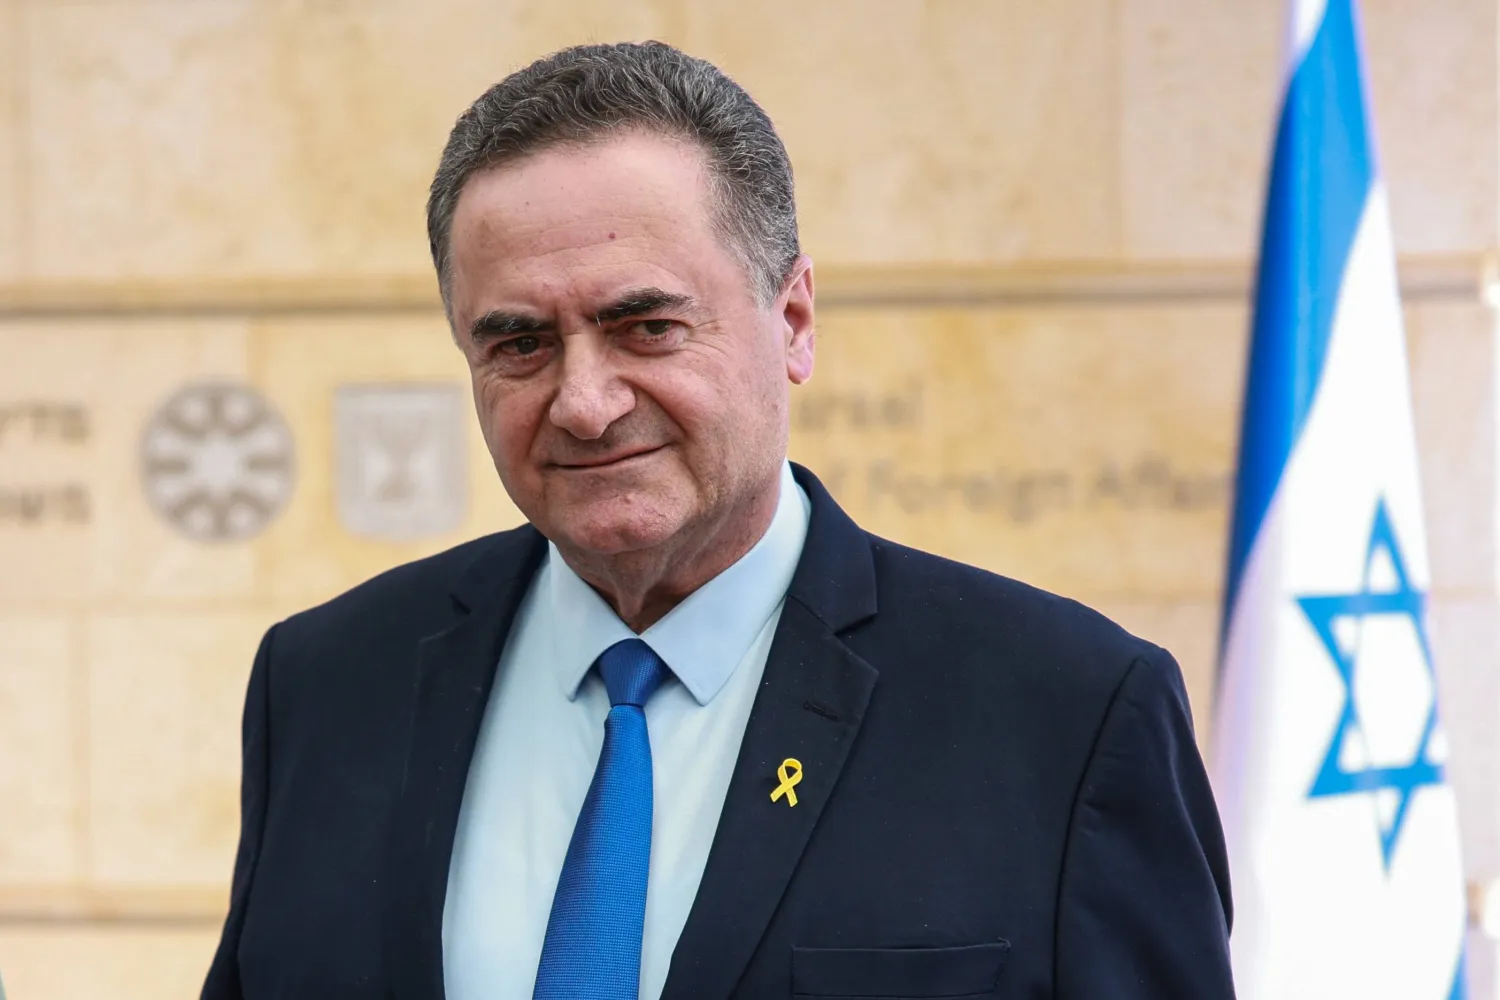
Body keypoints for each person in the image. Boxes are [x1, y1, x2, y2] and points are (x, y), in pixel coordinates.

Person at [202, 41, 1233, 1000]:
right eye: (519, 344)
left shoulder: (1067, 712)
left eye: (645, 325)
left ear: (792, 320)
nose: (585, 400)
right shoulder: (326, 686)